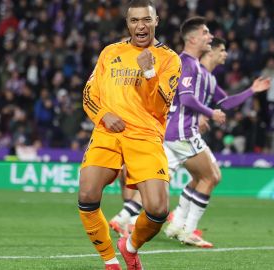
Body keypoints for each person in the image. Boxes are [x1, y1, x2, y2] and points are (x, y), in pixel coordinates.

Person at [77, 1, 181, 269]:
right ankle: (110, 262)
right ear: (127, 23)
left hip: (145, 135)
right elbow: (89, 94)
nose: (141, 26)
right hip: (108, 132)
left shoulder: (169, 59)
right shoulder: (110, 52)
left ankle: (131, 246)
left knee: (158, 210)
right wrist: (103, 116)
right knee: (87, 195)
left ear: (156, 21)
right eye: (135, 20)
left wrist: (149, 73)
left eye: (146, 19)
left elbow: (160, 106)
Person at [164, 37, 271, 247]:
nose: (226, 55)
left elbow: (226, 102)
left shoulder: (209, 79)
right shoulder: (193, 70)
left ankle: (177, 224)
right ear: (210, 52)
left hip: (185, 132)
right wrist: (209, 113)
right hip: (180, 132)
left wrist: (251, 91)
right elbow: (185, 99)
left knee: (202, 178)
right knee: (210, 177)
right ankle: (186, 230)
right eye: (222, 50)